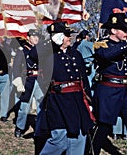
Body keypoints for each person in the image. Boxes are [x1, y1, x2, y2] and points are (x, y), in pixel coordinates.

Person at [34, 21, 94, 155]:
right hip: (58, 101)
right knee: (59, 139)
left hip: (77, 100)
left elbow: (83, 79)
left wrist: (90, 101)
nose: (70, 38)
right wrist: (49, 43)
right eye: (66, 35)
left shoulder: (75, 54)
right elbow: (33, 55)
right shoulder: (48, 54)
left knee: (79, 137)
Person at [91, 13, 127, 154]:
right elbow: (107, 55)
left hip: (125, 90)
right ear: (113, 30)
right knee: (104, 126)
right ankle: (92, 151)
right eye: (124, 30)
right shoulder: (102, 43)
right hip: (109, 90)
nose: (126, 33)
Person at [12, 29, 44, 138]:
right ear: (28, 37)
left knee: (42, 105)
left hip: (39, 80)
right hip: (27, 80)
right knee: (24, 107)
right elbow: (16, 67)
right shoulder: (22, 50)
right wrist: (18, 81)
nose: (36, 38)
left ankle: (40, 128)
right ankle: (20, 127)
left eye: (37, 36)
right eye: (33, 36)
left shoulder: (40, 50)